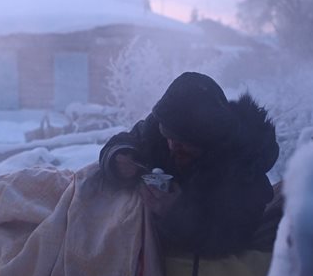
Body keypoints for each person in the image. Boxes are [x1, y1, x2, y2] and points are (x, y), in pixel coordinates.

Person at [99, 72, 279, 258]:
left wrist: (175, 213)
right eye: (168, 137)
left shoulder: (245, 167)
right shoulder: (160, 130)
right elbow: (129, 139)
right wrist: (119, 158)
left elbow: (230, 238)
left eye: (182, 142)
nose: (172, 147)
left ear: (208, 139)